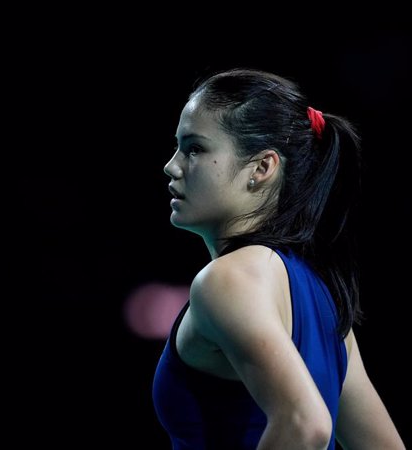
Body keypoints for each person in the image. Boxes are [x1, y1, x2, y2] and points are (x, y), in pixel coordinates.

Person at [152, 68, 405, 449]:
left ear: (262, 168)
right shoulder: (326, 300)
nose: (172, 165)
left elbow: (305, 425)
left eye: (195, 148)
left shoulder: (225, 280)